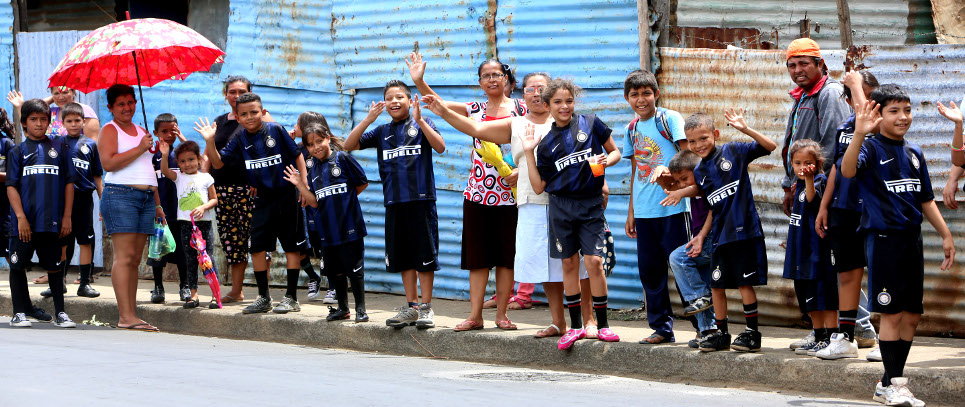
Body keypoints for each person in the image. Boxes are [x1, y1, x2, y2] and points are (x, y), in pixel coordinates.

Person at [422, 72, 596, 335]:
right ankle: (559, 323)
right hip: (532, 202)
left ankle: (589, 320)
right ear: (521, 94)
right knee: (546, 266)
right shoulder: (515, 124)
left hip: (570, 203)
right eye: (530, 89)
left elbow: (591, 158)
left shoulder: (567, 121)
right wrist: (441, 111)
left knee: (579, 264)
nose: (536, 93)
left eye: (542, 88)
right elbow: (476, 129)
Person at [841, 86, 955, 407]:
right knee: (891, 313)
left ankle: (889, 383)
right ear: (878, 114)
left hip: (912, 241)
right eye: (894, 111)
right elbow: (848, 170)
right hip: (884, 241)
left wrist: (946, 236)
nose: (903, 117)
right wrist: (859, 135)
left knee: (912, 314)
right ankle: (893, 384)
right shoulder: (870, 148)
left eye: (907, 109)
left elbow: (926, 200)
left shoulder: (915, 153)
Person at [408, 53, 523, 326]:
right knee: (478, 259)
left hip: (514, 195)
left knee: (507, 259)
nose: (492, 79)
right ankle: (475, 316)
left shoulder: (522, 109)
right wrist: (420, 81)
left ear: (505, 79)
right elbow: (438, 105)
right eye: (486, 76)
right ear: (480, 83)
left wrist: (523, 172)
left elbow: (538, 141)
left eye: (497, 74)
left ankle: (502, 315)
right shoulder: (474, 109)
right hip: (478, 194)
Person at [521, 78, 623, 350]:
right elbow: (539, 186)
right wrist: (529, 153)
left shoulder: (590, 123)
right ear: (547, 105)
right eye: (557, 102)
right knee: (568, 265)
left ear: (574, 102)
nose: (564, 107)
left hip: (590, 204)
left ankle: (603, 325)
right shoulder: (545, 144)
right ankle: (575, 326)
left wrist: (606, 161)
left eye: (569, 101)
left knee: (593, 262)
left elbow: (615, 153)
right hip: (560, 208)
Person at [666, 109, 777, 353]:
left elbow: (770, 146)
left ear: (715, 134)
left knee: (744, 284)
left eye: (704, 138)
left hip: (744, 233)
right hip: (720, 237)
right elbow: (710, 206)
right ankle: (722, 334)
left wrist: (745, 128)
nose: (698, 145)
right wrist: (702, 235)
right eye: (692, 141)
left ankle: (752, 333)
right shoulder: (699, 172)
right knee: (716, 286)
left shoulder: (734, 151)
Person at [344, 80, 444, 329]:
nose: (394, 101)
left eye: (400, 97)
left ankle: (427, 308)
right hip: (394, 203)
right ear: (384, 104)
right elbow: (348, 145)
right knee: (403, 258)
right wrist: (367, 119)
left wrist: (421, 121)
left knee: (425, 257)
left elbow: (440, 147)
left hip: (421, 202)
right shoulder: (381, 132)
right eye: (389, 98)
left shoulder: (422, 124)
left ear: (411, 101)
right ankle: (411, 307)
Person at [199, 92, 310, 315]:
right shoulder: (239, 139)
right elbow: (218, 164)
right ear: (237, 118)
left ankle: (291, 297)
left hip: (287, 196)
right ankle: (264, 297)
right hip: (261, 200)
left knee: (290, 247)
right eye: (244, 114)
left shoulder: (276, 130)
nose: (250, 117)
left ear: (262, 112)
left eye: (254, 112)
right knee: (257, 247)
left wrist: (304, 185)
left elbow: (297, 154)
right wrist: (210, 141)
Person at [780, 38, 852, 332]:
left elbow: (836, 148)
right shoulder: (803, 96)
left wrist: (822, 197)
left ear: (821, 65)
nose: (797, 70)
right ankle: (821, 332)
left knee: (826, 266)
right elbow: (796, 148)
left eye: (804, 63)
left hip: (823, 193)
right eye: (792, 65)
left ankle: (853, 328)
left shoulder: (829, 93)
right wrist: (789, 185)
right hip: (805, 191)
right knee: (810, 265)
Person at [814, 70, 882, 360]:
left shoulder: (880, 124)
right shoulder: (845, 126)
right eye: (853, 94)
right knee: (846, 274)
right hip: (843, 209)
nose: (856, 100)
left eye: (864, 95)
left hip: (871, 210)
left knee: (883, 273)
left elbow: (867, 120)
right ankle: (846, 337)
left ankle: (890, 338)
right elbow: (835, 168)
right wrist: (824, 205)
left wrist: (856, 85)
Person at [621, 69, 689, 344]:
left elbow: (688, 156)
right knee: (650, 271)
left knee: (685, 267)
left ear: (656, 94)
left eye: (646, 93)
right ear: (627, 98)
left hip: (674, 207)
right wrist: (632, 212)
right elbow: (637, 170)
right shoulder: (631, 128)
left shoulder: (669, 119)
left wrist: (672, 175)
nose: (641, 100)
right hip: (645, 211)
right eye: (635, 95)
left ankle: (704, 326)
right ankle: (662, 328)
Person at [285, 123, 369, 322]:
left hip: (350, 227)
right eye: (311, 145)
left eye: (319, 141)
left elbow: (362, 183)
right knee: (335, 271)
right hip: (327, 230)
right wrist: (299, 184)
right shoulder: (312, 167)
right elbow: (313, 201)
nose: (316, 147)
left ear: (328, 139)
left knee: (355, 270)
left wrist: (345, 199)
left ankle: (361, 310)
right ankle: (343, 308)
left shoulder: (343, 159)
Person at [99, 84, 164, 332]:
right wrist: (140, 148)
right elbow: (108, 163)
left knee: (135, 259)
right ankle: (125, 317)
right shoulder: (109, 129)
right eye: (121, 104)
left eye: (130, 102)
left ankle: (132, 314)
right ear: (111, 108)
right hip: (121, 195)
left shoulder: (142, 131)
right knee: (124, 257)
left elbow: (150, 170)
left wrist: (158, 203)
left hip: (146, 197)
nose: (127, 107)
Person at [6, 99, 76, 328]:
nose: (38, 124)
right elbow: (11, 187)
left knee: (55, 268)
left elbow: (68, 184)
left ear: (49, 121)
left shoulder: (61, 149)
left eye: (43, 119)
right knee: (18, 267)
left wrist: (67, 216)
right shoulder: (17, 152)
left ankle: (61, 313)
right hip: (24, 225)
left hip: (52, 223)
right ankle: (18, 313)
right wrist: (21, 218)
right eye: (33, 119)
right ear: (24, 123)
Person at [207, 76, 274, 304]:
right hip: (224, 190)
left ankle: (264, 294)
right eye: (232, 92)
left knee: (258, 239)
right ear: (225, 95)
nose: (236, 96)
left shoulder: (260, 117)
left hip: (251, 189)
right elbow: (212, 156)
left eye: (241, 91)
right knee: (233, 242)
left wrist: (260, 179)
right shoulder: (219, 121)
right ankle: (237, 291)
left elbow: (270, 152)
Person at [783, 139, 837, 357]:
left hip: (817, 251)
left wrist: (808, 179)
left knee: (824, 295)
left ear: (818, 163)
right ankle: (818, 333)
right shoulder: (797, 185)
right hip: (801, 249)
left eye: (808, 162)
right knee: (808, 297)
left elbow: (814, 198)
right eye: (797, 163)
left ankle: (831, 336)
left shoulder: (820, 181)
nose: (802, 167)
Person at [666, 150, 718, 348]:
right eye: (678, 181)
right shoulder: (689, 187)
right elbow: (684, 188)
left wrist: (680, 191)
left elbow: (699, 191)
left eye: (685, 178)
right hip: (700, 239)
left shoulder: (707, 184)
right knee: (702, 283)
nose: (682, 184)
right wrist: (670, 184)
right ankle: (708, 331)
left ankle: (703, 297)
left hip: (711, 239)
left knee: (678, 258)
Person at [158, 140, 217, 309]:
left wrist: (203, 207)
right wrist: (163, 155)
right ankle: (193, 295)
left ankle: (215, 294)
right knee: (190, 260)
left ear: (199, 159)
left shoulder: (206, 177)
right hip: (185, 224)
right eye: (182, 161)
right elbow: (164, 170)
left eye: (191, 159)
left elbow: (214, 199)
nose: (188, 164)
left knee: (208, 259)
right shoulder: (178, 177)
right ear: (178, 164)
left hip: (203, 224)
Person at [57, 102, 103, 298]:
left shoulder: (91, 145)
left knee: (85, 241)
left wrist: (104, 203)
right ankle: (58, 282)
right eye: (69, 121)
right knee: (62, 241)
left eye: (77, 120)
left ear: (84, 122)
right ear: (63, 122)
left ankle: (84, 283)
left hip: (84, 199)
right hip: (62, 201)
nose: (74, 124)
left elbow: (97, 176)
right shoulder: (57, 144)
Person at [148, 114, 189, 304]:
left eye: (173, 130)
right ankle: (158, 287)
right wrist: (156, 207)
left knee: (183, 251)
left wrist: (183, 139)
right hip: (159, 212)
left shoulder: (183, 154)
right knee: (157, 251)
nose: (169, 135)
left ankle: (185, 286)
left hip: (181, 212)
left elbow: (200, 163)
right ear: (156, 133)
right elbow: (149, 184)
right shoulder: (150, 154)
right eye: (164, 131)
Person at [290, 111, 330, 304]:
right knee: (301, 245)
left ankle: (332, 284)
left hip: (322, 205)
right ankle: (313, 277)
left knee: (325, 246)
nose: (294, 128)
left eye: (297, 124)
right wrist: (286, 144)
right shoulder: (297, 149)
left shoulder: (328, 149)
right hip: (301, 206)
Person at [7, 87, 100, 140]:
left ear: (73, 91)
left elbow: (92, 145)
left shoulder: (85, 112)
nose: (61, 97)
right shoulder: (51, 112)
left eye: (65, 92)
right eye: (56, 93)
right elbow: (29, 134)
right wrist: (20, 107)